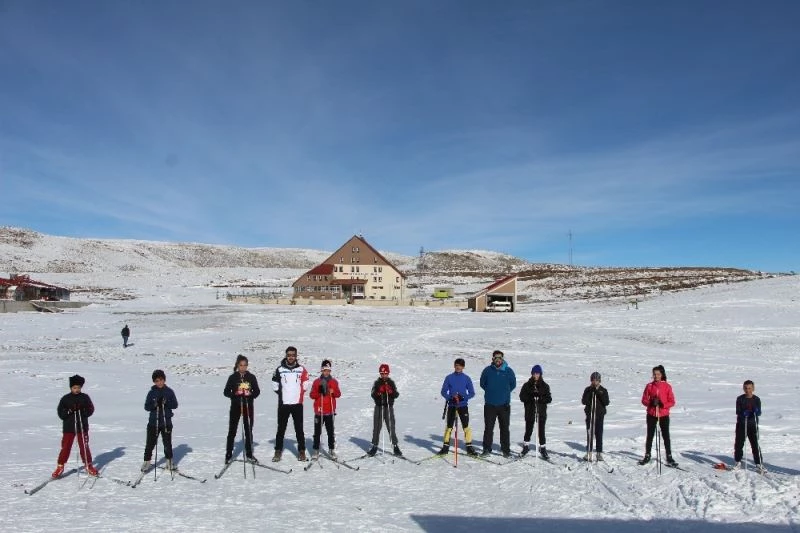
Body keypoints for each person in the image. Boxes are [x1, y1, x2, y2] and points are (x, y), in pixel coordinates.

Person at [52, 374, 98, 478]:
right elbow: (61, 413)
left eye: (78, 388)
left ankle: (88, 465)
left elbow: (91, 409)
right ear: (71, 388)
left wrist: (84, 410)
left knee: (84, 446)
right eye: (74, 388)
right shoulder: (65, 399)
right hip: (69, 427)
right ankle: (60, 466)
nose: (76, 390)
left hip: (82, 427)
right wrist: (69, 410)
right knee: (66, 447)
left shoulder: (85, 397)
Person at [271, 346, 309, 462]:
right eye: (289, 355)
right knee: (281, 428)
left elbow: (306, 383)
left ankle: (301, 451)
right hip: (284, 404)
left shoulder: (301, 369)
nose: (291, 357)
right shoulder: (280, 369)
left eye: (293, 355)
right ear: (286, 356)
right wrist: (282, 394)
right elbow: (274, 384)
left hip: (297, 404)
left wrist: (299, 393)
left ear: (296, 356)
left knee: (299, 429)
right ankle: (278, 451)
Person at [223, 354, 261, 464]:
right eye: (241, 365)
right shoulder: (233, 377)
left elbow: (257, 391)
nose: (243, 367)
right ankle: (228, 454)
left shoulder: (251, 377)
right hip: (236, 405)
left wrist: (250, 394)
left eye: (245, 365)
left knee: (248, 430)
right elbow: (226, 392)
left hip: (248, 406)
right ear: (237, 365)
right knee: (232, 430)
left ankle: (249, 454)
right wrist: (235, 394)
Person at [479, 350, 517, 457]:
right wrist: (491, 391)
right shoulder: (487, 370)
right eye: (495, 357)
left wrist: (504, 392)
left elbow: (513, 384)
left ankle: (505, 450)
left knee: (504, 428)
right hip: (490, 404)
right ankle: (486, 449)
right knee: (488, 428)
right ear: (492, 359)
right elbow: (482, 383)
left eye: (500, 357)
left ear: (503, 359)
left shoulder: (508, 371)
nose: (498, 360)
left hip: (504, 405)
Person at [639, 364, 677, 466]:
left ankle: (669, 456)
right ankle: (647, 455)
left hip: (663, 414)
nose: (656, 376)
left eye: (658, 374)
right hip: (651, 414)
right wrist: (651, 403)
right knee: (650, 435)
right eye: (654, 374)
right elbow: (644, 400)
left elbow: (672, 401)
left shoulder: (667, 386)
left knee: (666, 436)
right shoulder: (649, 386)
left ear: (662, 374)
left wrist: (662, 404)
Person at [438, 358, 477, 456]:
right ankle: (445, 447)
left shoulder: (466, 378)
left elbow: (472, 393)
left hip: (463, 406)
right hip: (452, 405)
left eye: (460, 365)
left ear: (463, 367)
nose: (458, 367)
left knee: (466, 426)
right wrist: (450, 397)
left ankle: (469, 447)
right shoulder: (449, 378)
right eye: (456, 365)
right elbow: (443, 391)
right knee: (449, 426)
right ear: (454, 366)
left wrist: (463, 397)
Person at [142, 369, 179, 472]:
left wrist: (166, 402)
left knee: (167, 443)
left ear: (164, 380)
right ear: (154, 382)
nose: (159, 382)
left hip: (166, 423)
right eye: (157, 381)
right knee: (150, 443)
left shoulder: (169, 391)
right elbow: (146, 407)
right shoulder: (151, 393)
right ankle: (146, 461)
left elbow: (175, 405)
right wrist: (154, 404)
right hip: (154, 423)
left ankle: (169, 461)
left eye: (161, 380)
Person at [308, 359, 341, 459]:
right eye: (324, 370)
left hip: (330, 411)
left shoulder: (334, 382)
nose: (326, 372)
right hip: (319, 411)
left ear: (330, 371)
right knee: (317, 432)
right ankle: (316, 449)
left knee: (330, 432)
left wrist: (333, 391)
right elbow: (312, 395)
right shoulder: (317, 382)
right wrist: (319, 392)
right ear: (321, 370)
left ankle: (331, 450)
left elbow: (338, 394)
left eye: (328, 370)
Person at [368, 363, 402, 456]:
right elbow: (372, 394)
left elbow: (396, 395)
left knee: (391, 427)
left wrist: (390, 391)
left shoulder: (391, 382)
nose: (384, 375)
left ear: (388, 373)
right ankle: (374, 446)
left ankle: (395, 446)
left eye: (385, 373)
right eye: (382, 373)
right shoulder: (377, 383)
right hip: (379, 407)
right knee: (377, 427)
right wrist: (379, 392)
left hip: (388, 407)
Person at [519, 364, 552, 459]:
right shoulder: (527, 385)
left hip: (541, 412)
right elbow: (522, 397)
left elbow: (549, 398)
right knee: (528, 429)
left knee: (541, 431)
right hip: (530, 411)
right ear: (532, 374)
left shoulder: (545, 386)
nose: (536, 375)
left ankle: (543, 449)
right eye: (534, 373)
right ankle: (525, 447)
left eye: (537, 373)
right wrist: (531, 396)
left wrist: (541, 398)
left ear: (540, 374)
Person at [734, 380, 763, 471]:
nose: (747, 390)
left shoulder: (756, 399)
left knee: (755, 444)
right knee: (739, 444)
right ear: (743, 388)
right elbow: (738, 411)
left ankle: (758, 463)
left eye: (749, 388)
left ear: (753, 388)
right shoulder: (740, 399)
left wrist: (756, 411)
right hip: (742, 424)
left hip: (753, 425)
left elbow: (759, 413)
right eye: (746, 388)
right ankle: (738, 461)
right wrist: (743, 413)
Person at [581, 371, 610, 461]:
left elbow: (606, 402)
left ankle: (599, 452)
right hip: (590, 415)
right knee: (590, 433)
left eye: (597, 380)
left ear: (599, 381)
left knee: (599, 433)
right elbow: (584, 401)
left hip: (599, 415)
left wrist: (598, 392)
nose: (595, 382)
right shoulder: (587, 389)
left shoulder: (603, 390)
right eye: (593, 380)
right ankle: (589, 452)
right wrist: (591, 393)